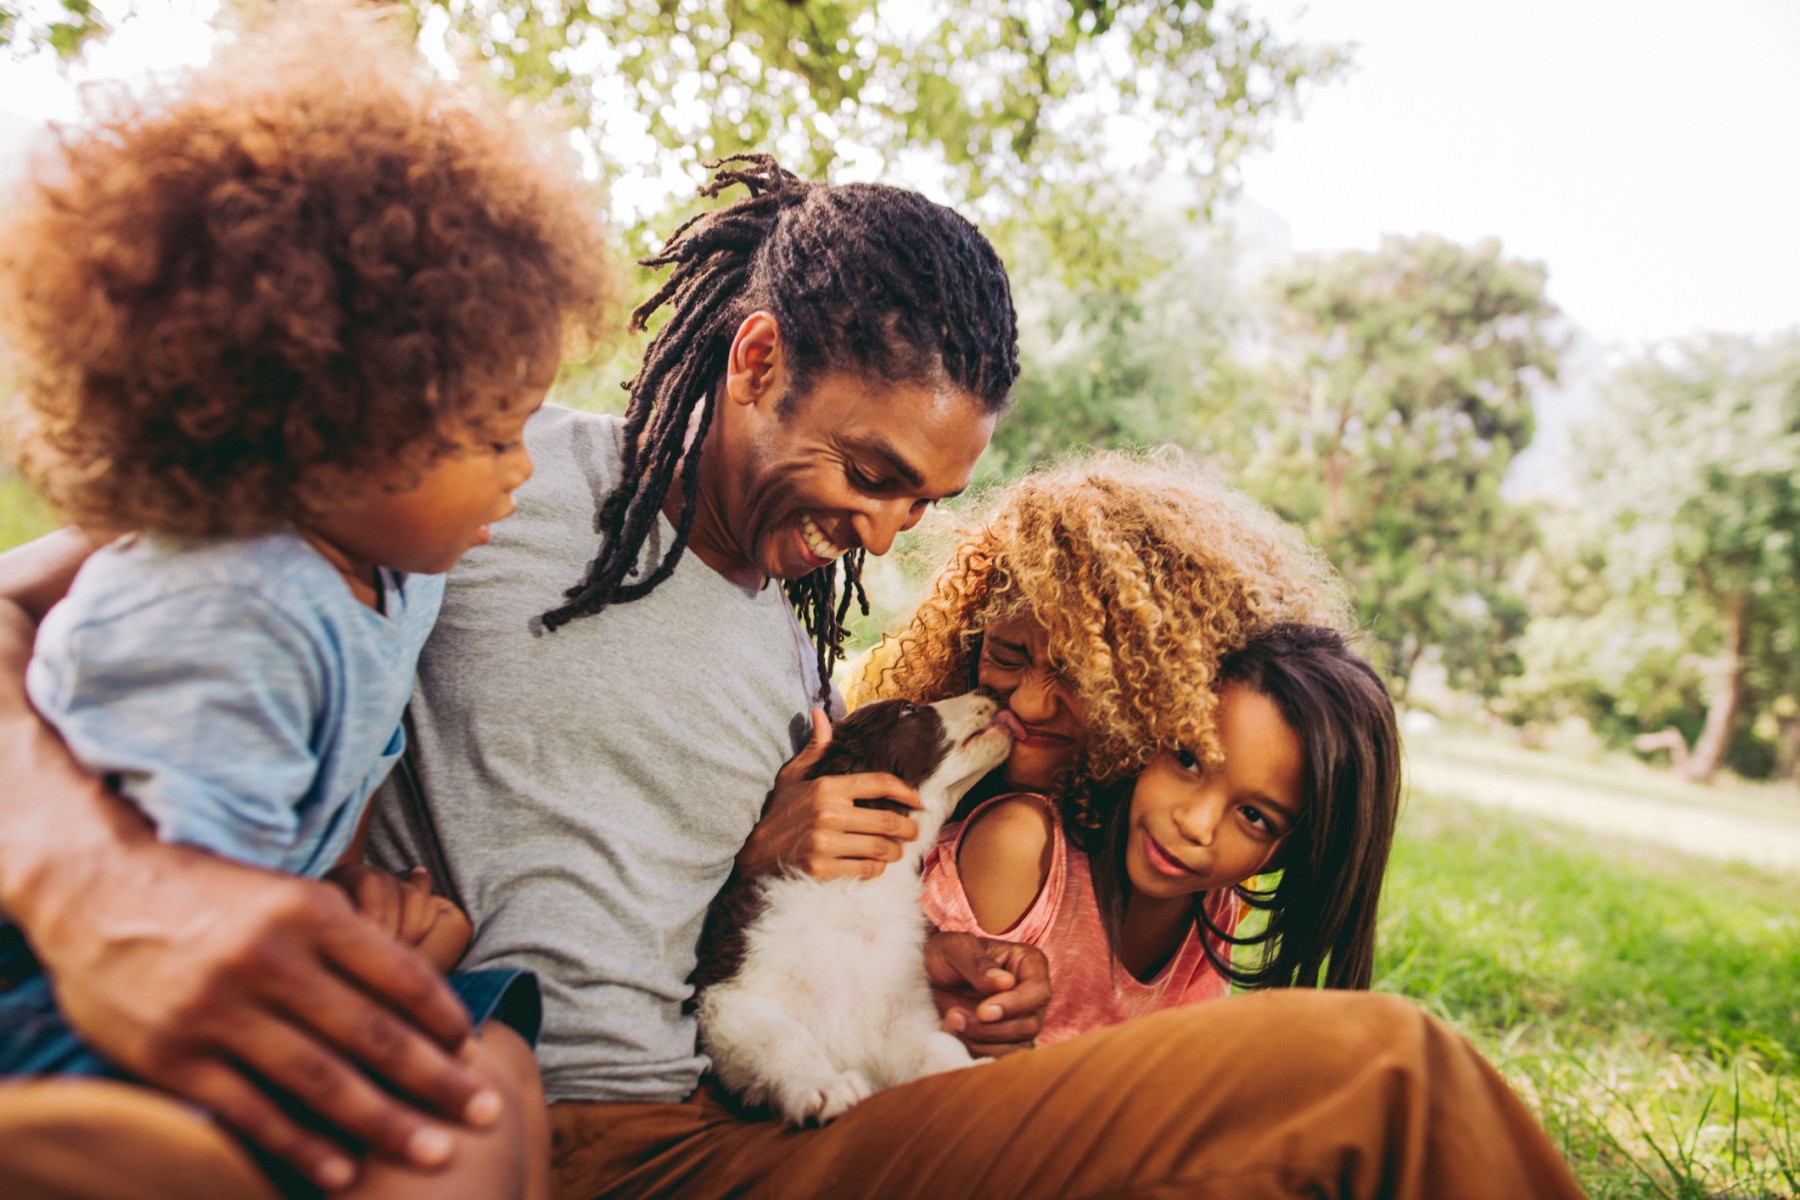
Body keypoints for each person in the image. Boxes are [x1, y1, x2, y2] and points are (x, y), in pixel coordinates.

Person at [0, 147, 1587, 1200]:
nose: (888, 528)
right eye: (871, 468)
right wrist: (95, 888)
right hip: (497, 1110)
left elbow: (746, 926)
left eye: (925, 502)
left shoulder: (789, 646)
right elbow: (36, 615)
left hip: (729, 1130)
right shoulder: (466, 479)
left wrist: (866, 934)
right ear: (757, 362)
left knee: (1384, 1079)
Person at [0, 3, 614, 1195]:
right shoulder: (226, 602)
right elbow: (185, 902)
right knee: (429, 1106)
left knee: (490, 1069)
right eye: (491, 436)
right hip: (75, 984)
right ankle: (96, 1133)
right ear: (329, 436)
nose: (523, 470)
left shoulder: (394, 569)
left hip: (252, 931)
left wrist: (358, 902)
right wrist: (335, 924)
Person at [858, 456, 1398, 1043]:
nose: (1033, 706)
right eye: (1009, 656)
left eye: (1082, 678)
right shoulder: (1018, 843)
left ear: (1163, 689)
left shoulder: (1205, 891)